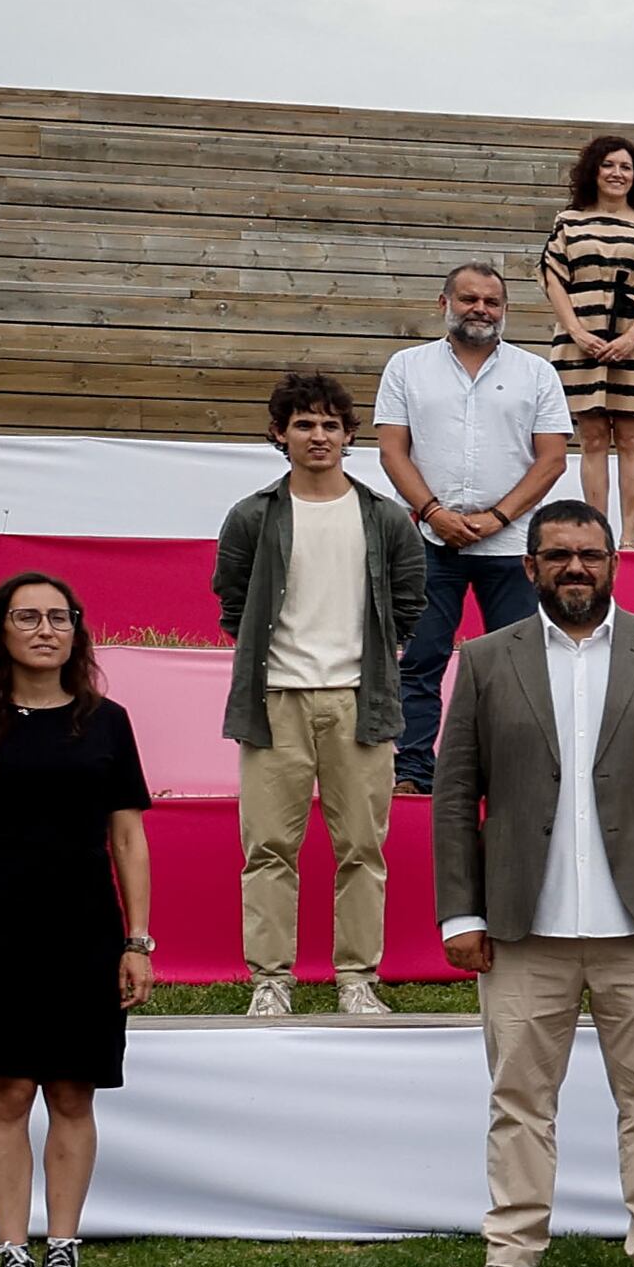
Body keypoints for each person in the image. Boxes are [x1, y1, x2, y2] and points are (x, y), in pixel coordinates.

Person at [432, 505, 634, 1267]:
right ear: (527, 566)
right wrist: (462, 912)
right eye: (558, 555)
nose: (575, 568)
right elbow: (456, 794)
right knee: (519, 1099)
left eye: (590, 555)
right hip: (523, 927)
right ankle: (512, 1252)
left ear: (612, 564)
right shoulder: (488, 659)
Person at [0, 574, 150, 1267]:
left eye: (61, 617)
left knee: (75, 1093)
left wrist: (137, 941)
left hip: (86, 926)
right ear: (1, 630)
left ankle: (64, 1252)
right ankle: (14, 1252)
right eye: (29, 617)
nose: (47, 628)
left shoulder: (107, 721)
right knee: (8, 1092)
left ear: (77, 631)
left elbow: (128, 837)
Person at [215, 372, 427, 1018]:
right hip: (274, 701)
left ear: (349, 435)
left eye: (331, 425)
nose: (319, 436)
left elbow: (409, 601)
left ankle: (356, 978)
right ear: (279, 434)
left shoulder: (385, 518)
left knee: (362, 848)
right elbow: (232, 599)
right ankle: (271, 979)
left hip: (360, 703)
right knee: (268, 848)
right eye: (304, 424)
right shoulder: (253, 515)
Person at [373, 262, 573, 791]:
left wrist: (498, 517)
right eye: (468, 299)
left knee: (516, 667)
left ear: (505, 310)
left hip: (511, 545)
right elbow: (392, 450)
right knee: (420, 658)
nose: (480, 309)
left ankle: (507, 773)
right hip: (427, 542)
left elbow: (552, 459)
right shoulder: (406, 367)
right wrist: (434, 512)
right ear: (444, 304)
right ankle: (413, 768)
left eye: (491, 301)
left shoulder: (537, 373)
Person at [540, 135, 634, 553]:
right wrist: (577, 332)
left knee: (632, 438)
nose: (617, 174)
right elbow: (552, 279)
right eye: (609, 165)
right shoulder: (567, 222)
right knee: (593, 439)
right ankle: (597, 535)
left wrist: (631, 336)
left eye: (626, 167)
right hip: (579, 343)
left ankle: (630, 537)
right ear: (593, 171)